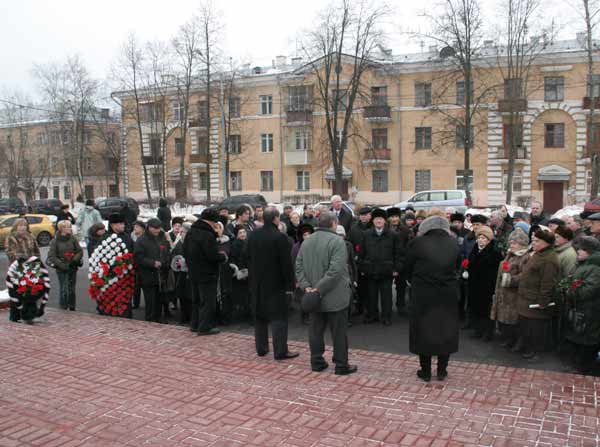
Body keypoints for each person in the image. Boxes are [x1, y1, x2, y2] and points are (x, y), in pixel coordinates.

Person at [296, 211, 357, 375]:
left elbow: (298, 267)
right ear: (334, 224)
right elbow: (335, 271)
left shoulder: (306, 242)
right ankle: (341, 364)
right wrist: (317, 289)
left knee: (315, 331)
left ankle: (316, 361)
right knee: (338, 332)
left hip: (313, 297)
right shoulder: (338, 242)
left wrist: (307, 287)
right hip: (334, 296)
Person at [405, 215, 460, 382]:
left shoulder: (417, 243)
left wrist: (412, 280)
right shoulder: (453, 243)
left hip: (423, 294)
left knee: (423, 330)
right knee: (445, 329)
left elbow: (407, 266)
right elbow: (457, 266)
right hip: (447, 294)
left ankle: (426, 371)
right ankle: (442, 370)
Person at [247, 207, 297, 360]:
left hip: (256, 282)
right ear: (276, 219)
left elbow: (246, 256)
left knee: (260, 316)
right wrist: (290, 285)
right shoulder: (280, 237)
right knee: (278, 318)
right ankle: (280, 351)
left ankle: (261, 348)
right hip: (276, 284)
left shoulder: (253, 235)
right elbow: (286, 264)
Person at [516, 229, 560, 359]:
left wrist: (543, 301)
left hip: (535, 299)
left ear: (546, 243)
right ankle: (526, 345)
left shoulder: (550, 259)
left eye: (537, 240)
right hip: (526, 296)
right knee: (526, 324)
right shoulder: (538, 254)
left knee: (534, 327)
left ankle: (534, 349)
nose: (533, 242)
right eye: (533, 240)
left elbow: (548, 283)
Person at [184, 208, 227, 335]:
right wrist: (223, 256)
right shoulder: (207, 234)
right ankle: (205, 327)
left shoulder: (191, 231)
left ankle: (195, 324)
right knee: (208, 301)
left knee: (196, 300)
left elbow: (185, 250)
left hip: (193, 272)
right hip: (207, 273)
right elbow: (212, 255)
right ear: (211, 221)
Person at [358, 208, 403, 326]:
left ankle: (386, 316)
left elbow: (398, 254)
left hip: (387, 271)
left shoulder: (393, 235)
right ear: (373, 221)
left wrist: (396, 269)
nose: (378, 221)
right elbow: (361, 253)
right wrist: (362, 268)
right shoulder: (366, 234)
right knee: (371, 295)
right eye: (376, 219)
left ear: (385, 221)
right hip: (370, 270)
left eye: (381, 219)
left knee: (386, 296)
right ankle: (372, 315)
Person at [564, 236, 600, 374]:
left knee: (588, 340)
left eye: (581, 249)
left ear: (589, 251)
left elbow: (588, 291)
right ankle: (579, 365)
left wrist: (570, 290)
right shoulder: (583, 263)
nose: (577, 251)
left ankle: (584, 369)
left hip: (590, 310)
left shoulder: (595, 267)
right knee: (579, 337)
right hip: (581, 309)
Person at [491, 228, 530, 349]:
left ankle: (517, 341)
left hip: (514, 294)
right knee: (505, 320)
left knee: (514, 321)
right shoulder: (510, 254)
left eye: (514, 243)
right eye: (511, 242)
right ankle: (509, 339)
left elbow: (525, 276)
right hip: (504, 293)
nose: (511, 245)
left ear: (522, 244)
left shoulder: (525, 257)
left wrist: (510, 280)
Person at [467, 225, 503, 341]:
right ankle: (478, 330)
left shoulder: (494, 253)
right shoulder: (474, 249)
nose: (481, 240)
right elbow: (471, 263)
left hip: (487, 285)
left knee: (486, 310)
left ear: (489, 240)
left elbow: (495, 271)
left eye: (484, 238)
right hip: (475, 284)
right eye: (479, 237)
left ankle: (488, 332)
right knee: (476, 308)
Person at [134, 218, 172, 323]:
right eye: (155, 228)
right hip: (148, 275)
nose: (157, 230)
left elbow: (166, 250)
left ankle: (158, 318)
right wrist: (152, 263)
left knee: (159, 298)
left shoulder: (161, 238)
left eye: (159, 228)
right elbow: (138, 257)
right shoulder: (141, 240)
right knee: (150, 300)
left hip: (161, 274)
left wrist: (166, 261)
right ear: (149, 227)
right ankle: (150, 319)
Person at [5, 218, 42, 322]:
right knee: (17, 292)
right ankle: (15, 316)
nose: (22, 227)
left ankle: (29, 315)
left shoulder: (31, 237)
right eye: (20, 225)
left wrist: (36, 263)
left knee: (31, 292)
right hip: (17, 268)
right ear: (16, 227)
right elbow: (10, 252)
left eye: (24, 225)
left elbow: (36, 251)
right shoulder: (11, 237)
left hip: (31, 268)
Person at [48, 220, 83, 311]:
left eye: (70, 226)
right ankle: (63, 307)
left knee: (71, 288)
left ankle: (72, 306)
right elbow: (52, 256)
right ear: (62, 229)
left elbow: (79, 251)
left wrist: (75, 260)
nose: (70, 228)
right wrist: (61, 265)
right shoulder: (55, 241)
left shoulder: (72, 238)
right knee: (64, 288)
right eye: (67, 227)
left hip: (72, 266)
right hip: (61, 268)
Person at [387, 207, 411, 314]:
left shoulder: (405, 230)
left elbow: (409, 245)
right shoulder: (385, 229)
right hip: (388, 260)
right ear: (388, 218)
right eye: (392, 217)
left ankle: (400, 306)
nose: (394, 219)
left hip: (401, 260)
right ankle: (387, 308)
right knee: (386, 286)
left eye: (396, 216)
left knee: (401, 285)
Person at [291, 223, 315, 325]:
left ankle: (312, 315)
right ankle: (304, 316)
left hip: (313, 274)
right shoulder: (296, 247)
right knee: (303, 297)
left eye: (309, 234)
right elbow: (294, 264)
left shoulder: (315, 245)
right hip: (302, 275)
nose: (307, 236)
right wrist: (296, 280)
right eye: (305, 235)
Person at [230, 225, 250, 322]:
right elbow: (235, 259)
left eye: (244, 232)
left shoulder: (247, 242)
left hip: (248, 271)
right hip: (241, 272)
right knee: (243, 294)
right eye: (240, 233)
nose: (243, 234)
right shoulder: (235, 245)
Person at [131, 220, 146, 309]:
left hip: (143, 264)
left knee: (144, 284)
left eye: (137, 227)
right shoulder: (132, 236)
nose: (135, 228)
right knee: (136, 285)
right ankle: (135, 302)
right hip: (134, 264)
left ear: (142, 228)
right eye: (134, 227)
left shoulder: (145, 237)